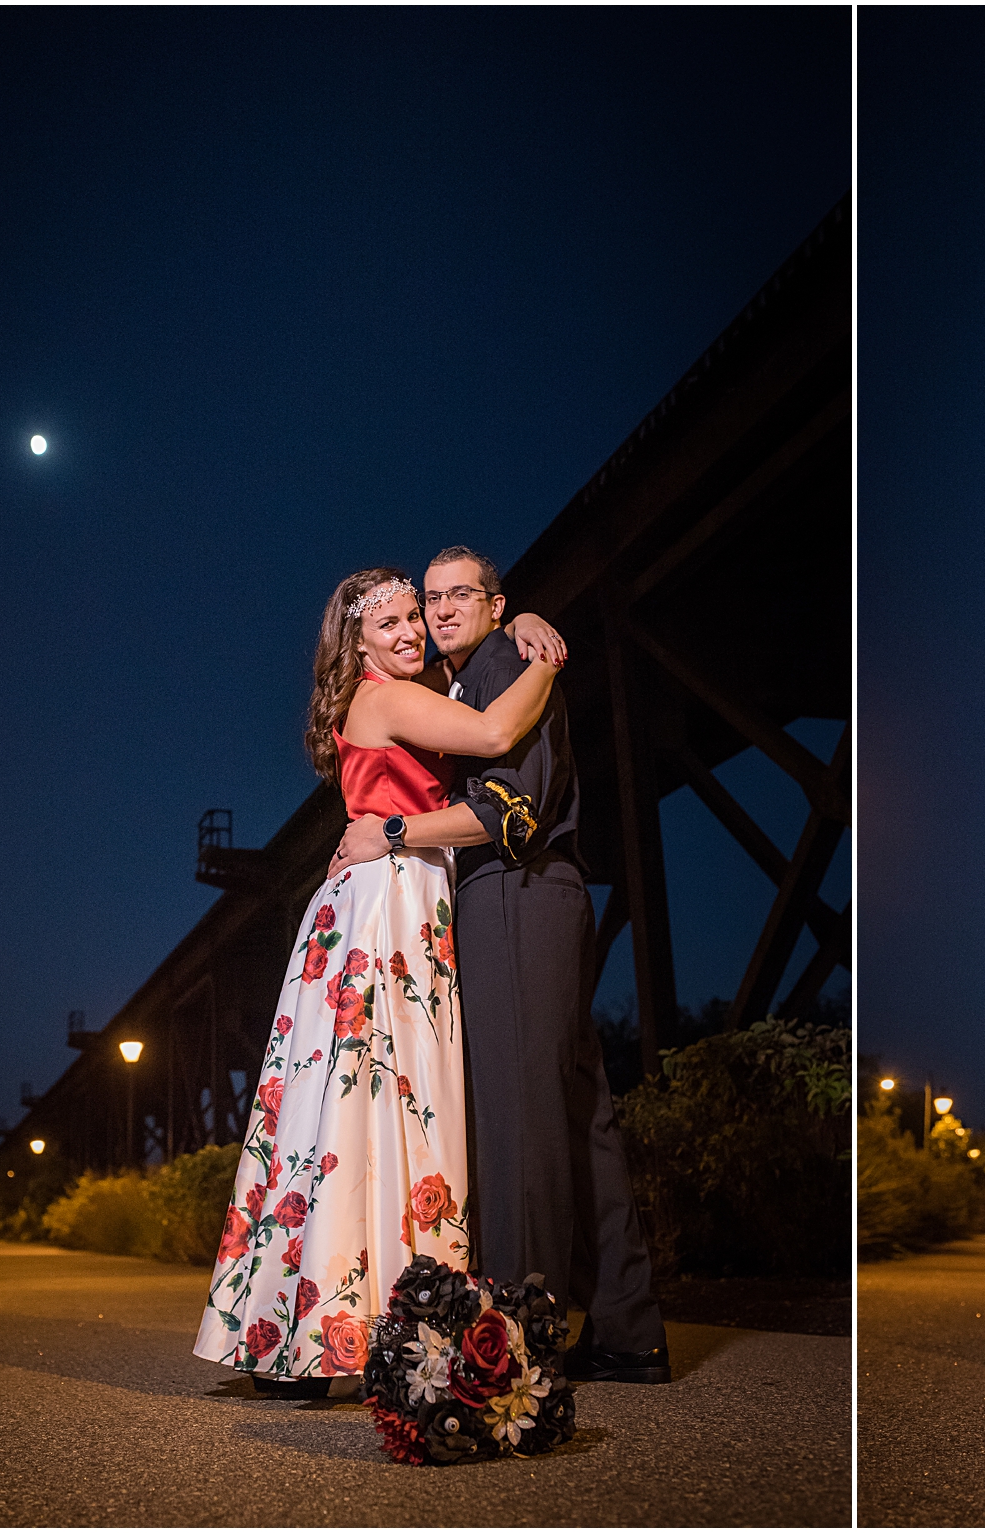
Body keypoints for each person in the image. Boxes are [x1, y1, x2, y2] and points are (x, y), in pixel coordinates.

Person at [194, 567, 561, 1392]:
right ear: (356, 641)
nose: (409, 632)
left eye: (413, 619)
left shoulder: (400, 690)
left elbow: (467, 673)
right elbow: (499, 733)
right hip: (390, 900)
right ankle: (358, 1329)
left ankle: (321, 1331)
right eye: (389, 622)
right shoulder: (388, 697)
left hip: (386, 893)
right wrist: (548, 655)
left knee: (354, 1107)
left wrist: (520, 615)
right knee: (379, 1101)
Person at [331, 545, 670, 1385]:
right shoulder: (476, 674)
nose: (439, 610)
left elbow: (508, 814)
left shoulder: (508, 665)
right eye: (428, 598)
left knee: (517, 1128)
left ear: (495, 602)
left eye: (458, 596)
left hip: (516, 892)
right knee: (579, 1116)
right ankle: (630, 1329)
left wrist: (395, 832)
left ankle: (516, 1344)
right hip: (533, 901)